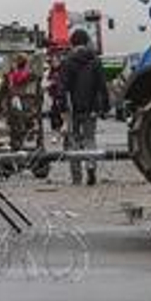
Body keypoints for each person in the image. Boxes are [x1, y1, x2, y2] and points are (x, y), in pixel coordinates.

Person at [59, 29, 109, 185]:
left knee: (73, 141)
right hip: (91, 107)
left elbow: (62, 88)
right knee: (90, 139)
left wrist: (62, 109)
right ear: (87, 41)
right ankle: (91, 167)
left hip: (73, 108)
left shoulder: (67, 61)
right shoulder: (95, 60)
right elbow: (102, 85)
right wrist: (105, 106)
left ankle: (76, 177)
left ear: (72, 43)